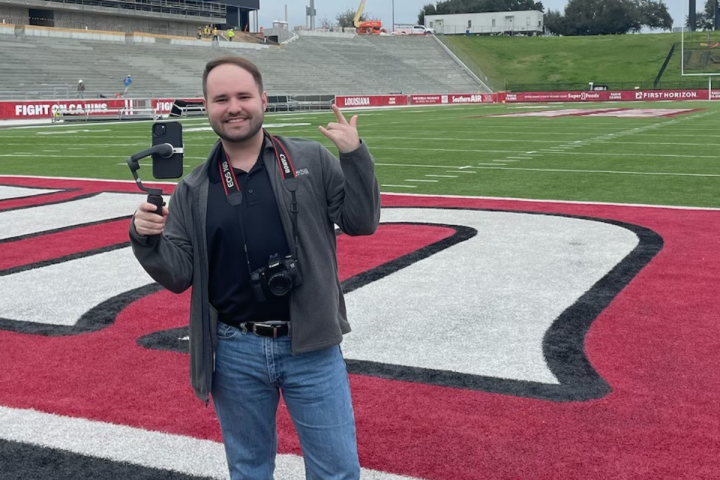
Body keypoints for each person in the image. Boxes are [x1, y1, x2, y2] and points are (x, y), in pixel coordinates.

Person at [129, 56, 380, 480]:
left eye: (243, 96)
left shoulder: (311, 159)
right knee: (248, 471)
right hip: (234, 349)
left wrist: (355, 156)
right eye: (220, 98)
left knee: (337, 471)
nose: (234, 107)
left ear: (262, 100)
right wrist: (145, 237)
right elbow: (178, 274)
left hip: (313, 345)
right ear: (206, 107)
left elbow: (362, 222)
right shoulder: (193, 188)